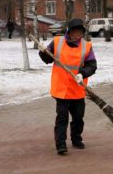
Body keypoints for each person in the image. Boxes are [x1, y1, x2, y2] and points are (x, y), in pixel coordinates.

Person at [39, 18, 97, 155]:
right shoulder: (58, 42)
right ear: (69, 32)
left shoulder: (86, 46)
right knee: (62, 117)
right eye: (75, 32)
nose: (78, 35)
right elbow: (48, 59)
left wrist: (83, 74)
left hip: (77, 88)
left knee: (78, 117)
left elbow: (92, 66)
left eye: (80, 32)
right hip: (61, 89)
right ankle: (61, 144)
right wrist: (42, 52)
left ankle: (76, 139)